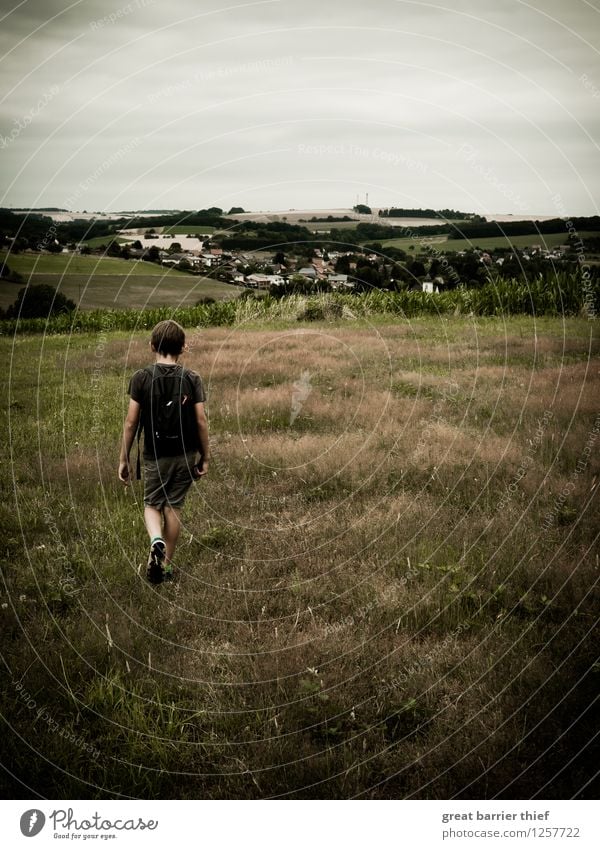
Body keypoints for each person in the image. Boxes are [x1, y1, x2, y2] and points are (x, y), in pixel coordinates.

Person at [119, 320, 209, 583]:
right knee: (174, 506)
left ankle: (155, 539)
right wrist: (206, 456)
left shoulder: (141, 378)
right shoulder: (192, 379)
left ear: (152, 346)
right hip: (185, 454)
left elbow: (131, 422)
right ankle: (166, 566)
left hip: (154, 455)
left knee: (151, 504)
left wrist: (124, 458)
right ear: (183, 347)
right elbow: (201, 421)